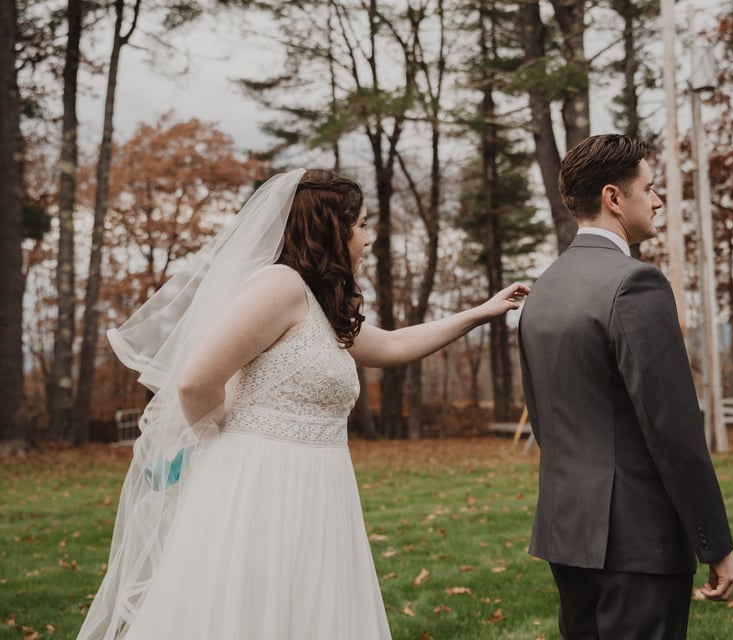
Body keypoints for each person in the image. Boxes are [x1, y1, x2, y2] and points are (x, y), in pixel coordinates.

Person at [77, 168, 529, 640]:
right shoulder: (278, 286)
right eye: (363, 225)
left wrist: (480, 312)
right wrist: (220, 442)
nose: (369, 238)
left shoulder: (320, 305)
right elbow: (194, 382)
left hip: (321, 486)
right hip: (260, 485)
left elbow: (392, 346)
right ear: (334, 229)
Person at [517, 134, 733, 640]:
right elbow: (675, 430)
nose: (658, 200)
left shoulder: (542, 289)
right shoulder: (636, 284)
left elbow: (547, 418)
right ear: (613, 198)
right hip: (639, 540)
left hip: (567, 532)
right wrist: (716, 544)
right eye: (650, 188)